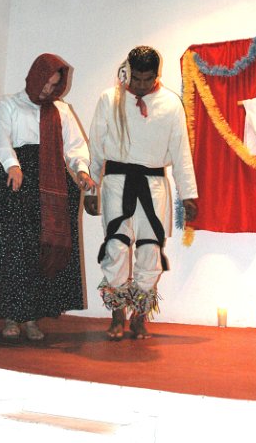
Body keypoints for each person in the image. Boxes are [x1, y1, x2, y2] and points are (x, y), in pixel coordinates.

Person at [0, 53, 95, 341]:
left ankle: (32, 317)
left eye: (54, 85)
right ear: (34, 76)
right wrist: (12, 165)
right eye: (45, 82)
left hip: (51, 183)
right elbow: (2, 139)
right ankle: (11, 316)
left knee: (41, 251)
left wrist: (82, 170)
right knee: (14, 251)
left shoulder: (61, 110)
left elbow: (75, 147)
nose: (48, 89)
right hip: (18, 180)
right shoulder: (10, 104)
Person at [85, 46, 198, 341]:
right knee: (116, 247)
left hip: (154, 183)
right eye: (137, 78)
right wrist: (90, 188)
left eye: (148, 79)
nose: (142, 85)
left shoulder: (170, 103)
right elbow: (96, 146)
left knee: (150, 249)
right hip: (116, 181)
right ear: (128, 71)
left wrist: (188, 194)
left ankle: (139, 316)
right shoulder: (110, 99)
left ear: (156, 75)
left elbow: (181, 151)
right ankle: (117, 315)